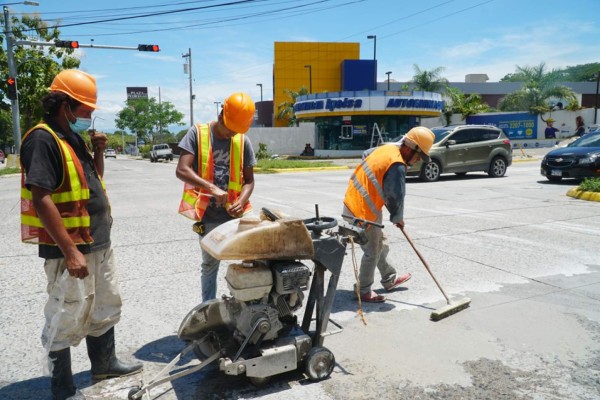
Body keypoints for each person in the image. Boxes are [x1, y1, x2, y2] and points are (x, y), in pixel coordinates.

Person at [20, 69, 142, 400]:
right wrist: (71, 250)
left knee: (104, 305)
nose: (89, 116)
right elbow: (41, 197)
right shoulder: (42, 139)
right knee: (66, 313)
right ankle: (63, 389)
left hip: (98, 240)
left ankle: (104, 363)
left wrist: (98, 151)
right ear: (67, 107)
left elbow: (92, 184)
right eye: (86, 110)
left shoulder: (70, 137)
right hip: (71, 248)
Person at [176, 92, 256, 301]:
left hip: (237, 215)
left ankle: (247, 306)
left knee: (251, 260)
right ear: (221, 116)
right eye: (231, 129)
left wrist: (241, 201)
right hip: (208, 216)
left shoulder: (241, 140)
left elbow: (249, 180)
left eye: (237, 131)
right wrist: (212, 188)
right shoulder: (197, 134)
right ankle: (208, 309)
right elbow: (182, 170)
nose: (232, 135)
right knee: (210, 265)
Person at [342, 127, 435, 303]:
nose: (416, 161)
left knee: (380, 243)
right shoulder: (397, 165)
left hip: (354, 203)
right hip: (363, 212)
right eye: (417, 156)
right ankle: (363, 290)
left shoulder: (386, 149)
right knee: (372, 250)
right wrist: (397, 218)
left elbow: (366, 154)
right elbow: (396, 197)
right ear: (409, 148)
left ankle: (389, 277)